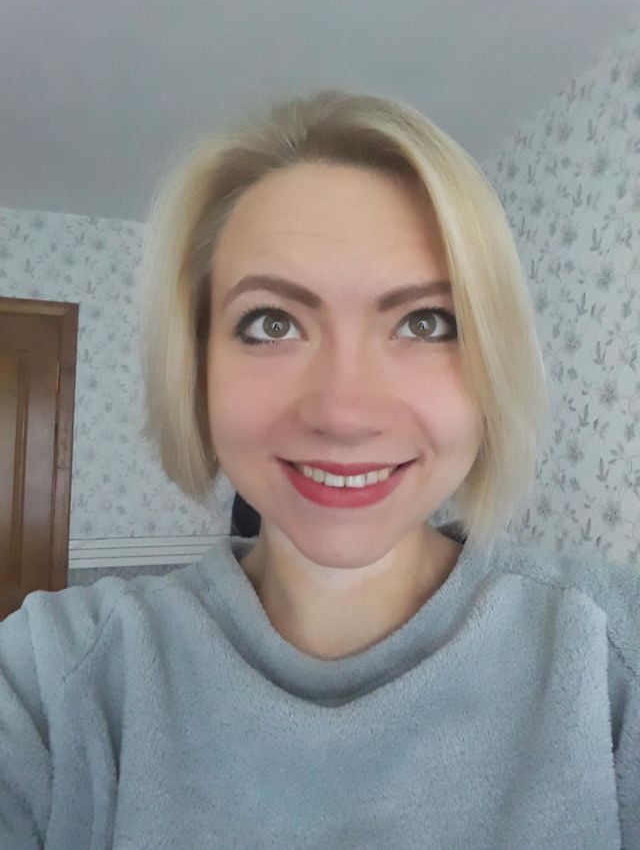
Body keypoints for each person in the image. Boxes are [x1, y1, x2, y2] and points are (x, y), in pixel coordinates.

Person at [0, 89, 637, 849]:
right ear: (196, 369)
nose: (343, 412)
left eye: (425, 322)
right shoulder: (56, 680)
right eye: (272, 323)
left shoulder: (609, 655)